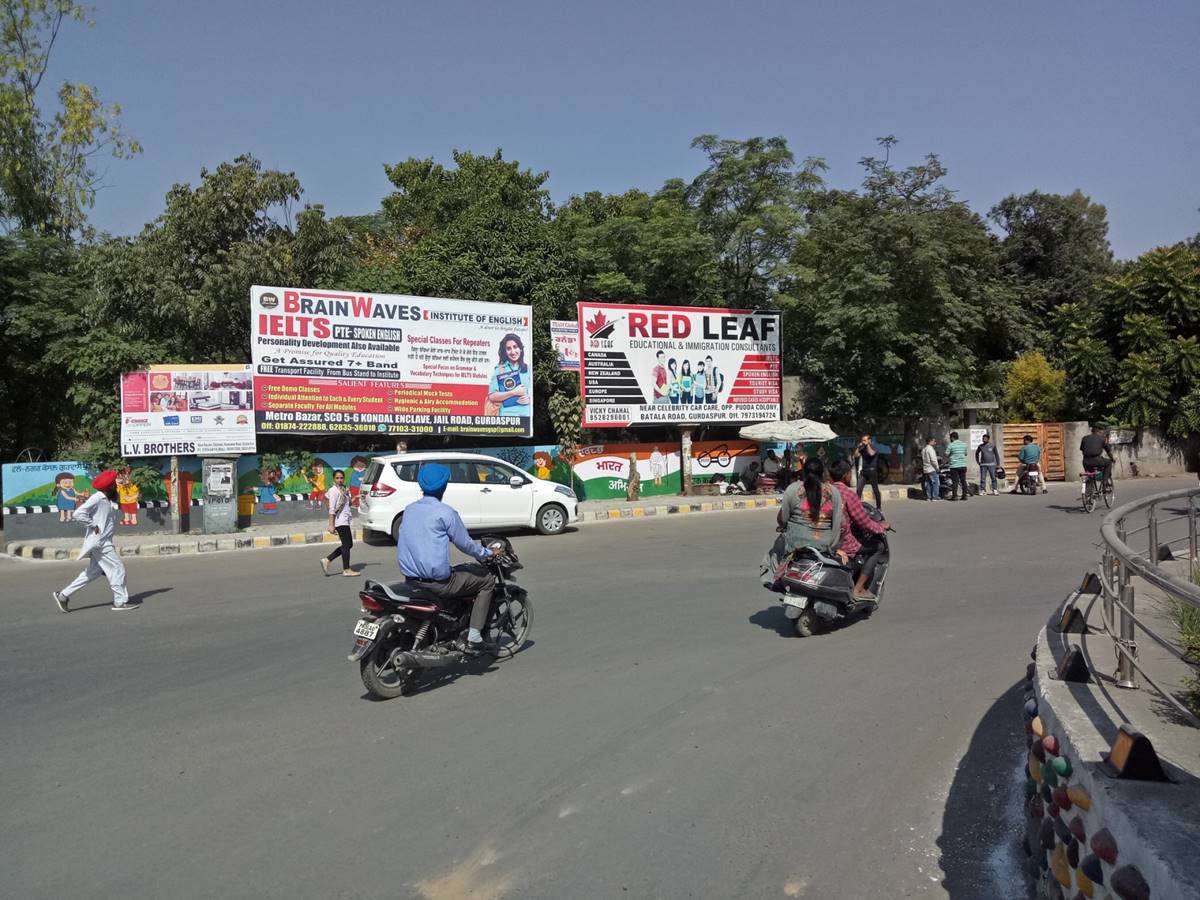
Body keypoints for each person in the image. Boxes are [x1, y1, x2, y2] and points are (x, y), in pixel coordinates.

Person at [395, 463, 501, 652]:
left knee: (460, 571)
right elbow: (466, 545)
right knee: (486, 581)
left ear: (421, 486)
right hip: (438, 583)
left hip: (411, 580)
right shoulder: (446, 513)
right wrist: (488, 553)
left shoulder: (409, 509)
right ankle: (475, 636)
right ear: (444, 487)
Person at [51, 470, 135, 612]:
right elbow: (78, 513)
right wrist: (92, 525)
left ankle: (63, 595)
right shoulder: (97, 498)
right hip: (101, 543)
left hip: (103, 541)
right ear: (109, 487)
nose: (117, 486)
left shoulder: (105, 498)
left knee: (93, 573)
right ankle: (120, 602)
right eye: (115, 484)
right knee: (117, 569)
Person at [762, 458, 848, 586]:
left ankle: (773, 580)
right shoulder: (833, 492)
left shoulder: (793, 489)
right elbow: (838, 523)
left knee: (773, 553)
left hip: (796, 542)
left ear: (804, 472)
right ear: (823, 473)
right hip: (824, 545)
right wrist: (833, 547)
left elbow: (782, 519)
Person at [831, 459, 889, 599]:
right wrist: (880, 527)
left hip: (822, 537)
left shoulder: (826, 490)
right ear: (846, 475)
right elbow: (863, 522)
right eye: (850, 473)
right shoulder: (848, 494)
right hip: (841, 541)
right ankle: (859, 588)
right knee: (878, 547)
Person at [321, 469, 355, 577]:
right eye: (337, 478)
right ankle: (346, 569)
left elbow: (347, 504)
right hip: (339, 521)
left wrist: (357, 497)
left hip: (345, 519)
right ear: (334, 479)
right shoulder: (334, 490)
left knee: (348, 544)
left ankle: (327, 560)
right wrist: (331, 524)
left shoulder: (343, 489)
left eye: (341, 478)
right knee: (347, 544)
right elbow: (331, 508)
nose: (339, 480)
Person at [488, 333, 531, 414]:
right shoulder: (500, 369)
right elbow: (492, 396)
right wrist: (513, 392)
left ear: (520, 349)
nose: (513, 352)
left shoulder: (527, 370)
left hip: (525, 417)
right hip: (507, 417)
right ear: (505, 351)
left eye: (515, 347)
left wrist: (529, 398)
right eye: (508, 348)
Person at [852, 433, 882, 509]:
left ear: (869, 440)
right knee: (859, 489)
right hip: (864, 472)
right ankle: (857, 507)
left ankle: (879, 507)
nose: (863, 442)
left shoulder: (874, 447)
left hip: (872, 471)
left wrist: (867, 445)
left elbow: (871, 454)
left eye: (865, 440)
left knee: (875, 490)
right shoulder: (862, 448)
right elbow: (855, 456)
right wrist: (858, 447)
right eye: (862, 440)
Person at [946, 431, 969, 501]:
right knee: (963, 481)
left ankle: (955, 496)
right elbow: (965, 454)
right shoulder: (964, 444)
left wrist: (951, 455)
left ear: (952, 438)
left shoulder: (951, 445)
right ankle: (964, 496)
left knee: (955, 481)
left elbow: (946, 454)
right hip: (963, 465)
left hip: (954, 466)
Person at [921, 436, 942, 501]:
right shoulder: (930, 449)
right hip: (932, 468)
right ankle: (935, 497)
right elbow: (933, 460)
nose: (935, 442)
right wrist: (937, 467)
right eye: (934, 441)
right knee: (935, 483)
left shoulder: (924, 449)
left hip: (926, 469)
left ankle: (929, 497)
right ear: (930, 441)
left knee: (929, 483)